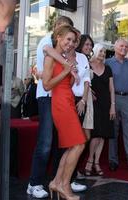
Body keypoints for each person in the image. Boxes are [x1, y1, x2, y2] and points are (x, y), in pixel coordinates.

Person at [26, 16, 78, 199]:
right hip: (46, 97)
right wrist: (67, 65)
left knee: (62, 142)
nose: (69, 41)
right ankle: (34, 183)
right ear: (56, 28)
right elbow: (49, 52)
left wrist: (71, 68)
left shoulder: (64, 50)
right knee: (46, 141)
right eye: (64, 31)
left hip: (60, 98)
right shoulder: (46, 42)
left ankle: (60, 180)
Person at [43, 25, 86, 200]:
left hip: (68, 101)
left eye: (73, 40)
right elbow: (46, 85)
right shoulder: (51, 58)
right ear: (58, 37)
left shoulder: (63, 57)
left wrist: (72, 70)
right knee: (79, 144)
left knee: (73, 145)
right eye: (67, 39)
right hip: (60, 103)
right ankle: (64, 184)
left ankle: (56, 182)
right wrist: (67, 71)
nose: (70, 43)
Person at [105, 38, 128, 174]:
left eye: (126, 47)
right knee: (113, 132)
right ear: (115, 47)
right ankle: (113, 161)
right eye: (121, 46)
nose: (124, 49)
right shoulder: (107, 63)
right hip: (113, 99)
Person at [83, 43, 115, 176]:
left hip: (106, 104)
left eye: (104, 52)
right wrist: (89, 91)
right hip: (92, 105)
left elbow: (111, 88)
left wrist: (113, 105)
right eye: (100, 52)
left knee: (103, 135)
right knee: (96, 134)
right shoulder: (88, 65)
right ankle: (90, 160)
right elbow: (83, 82)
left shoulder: (108, 68)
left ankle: (96, 162)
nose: (102, 54)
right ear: (95, 51)